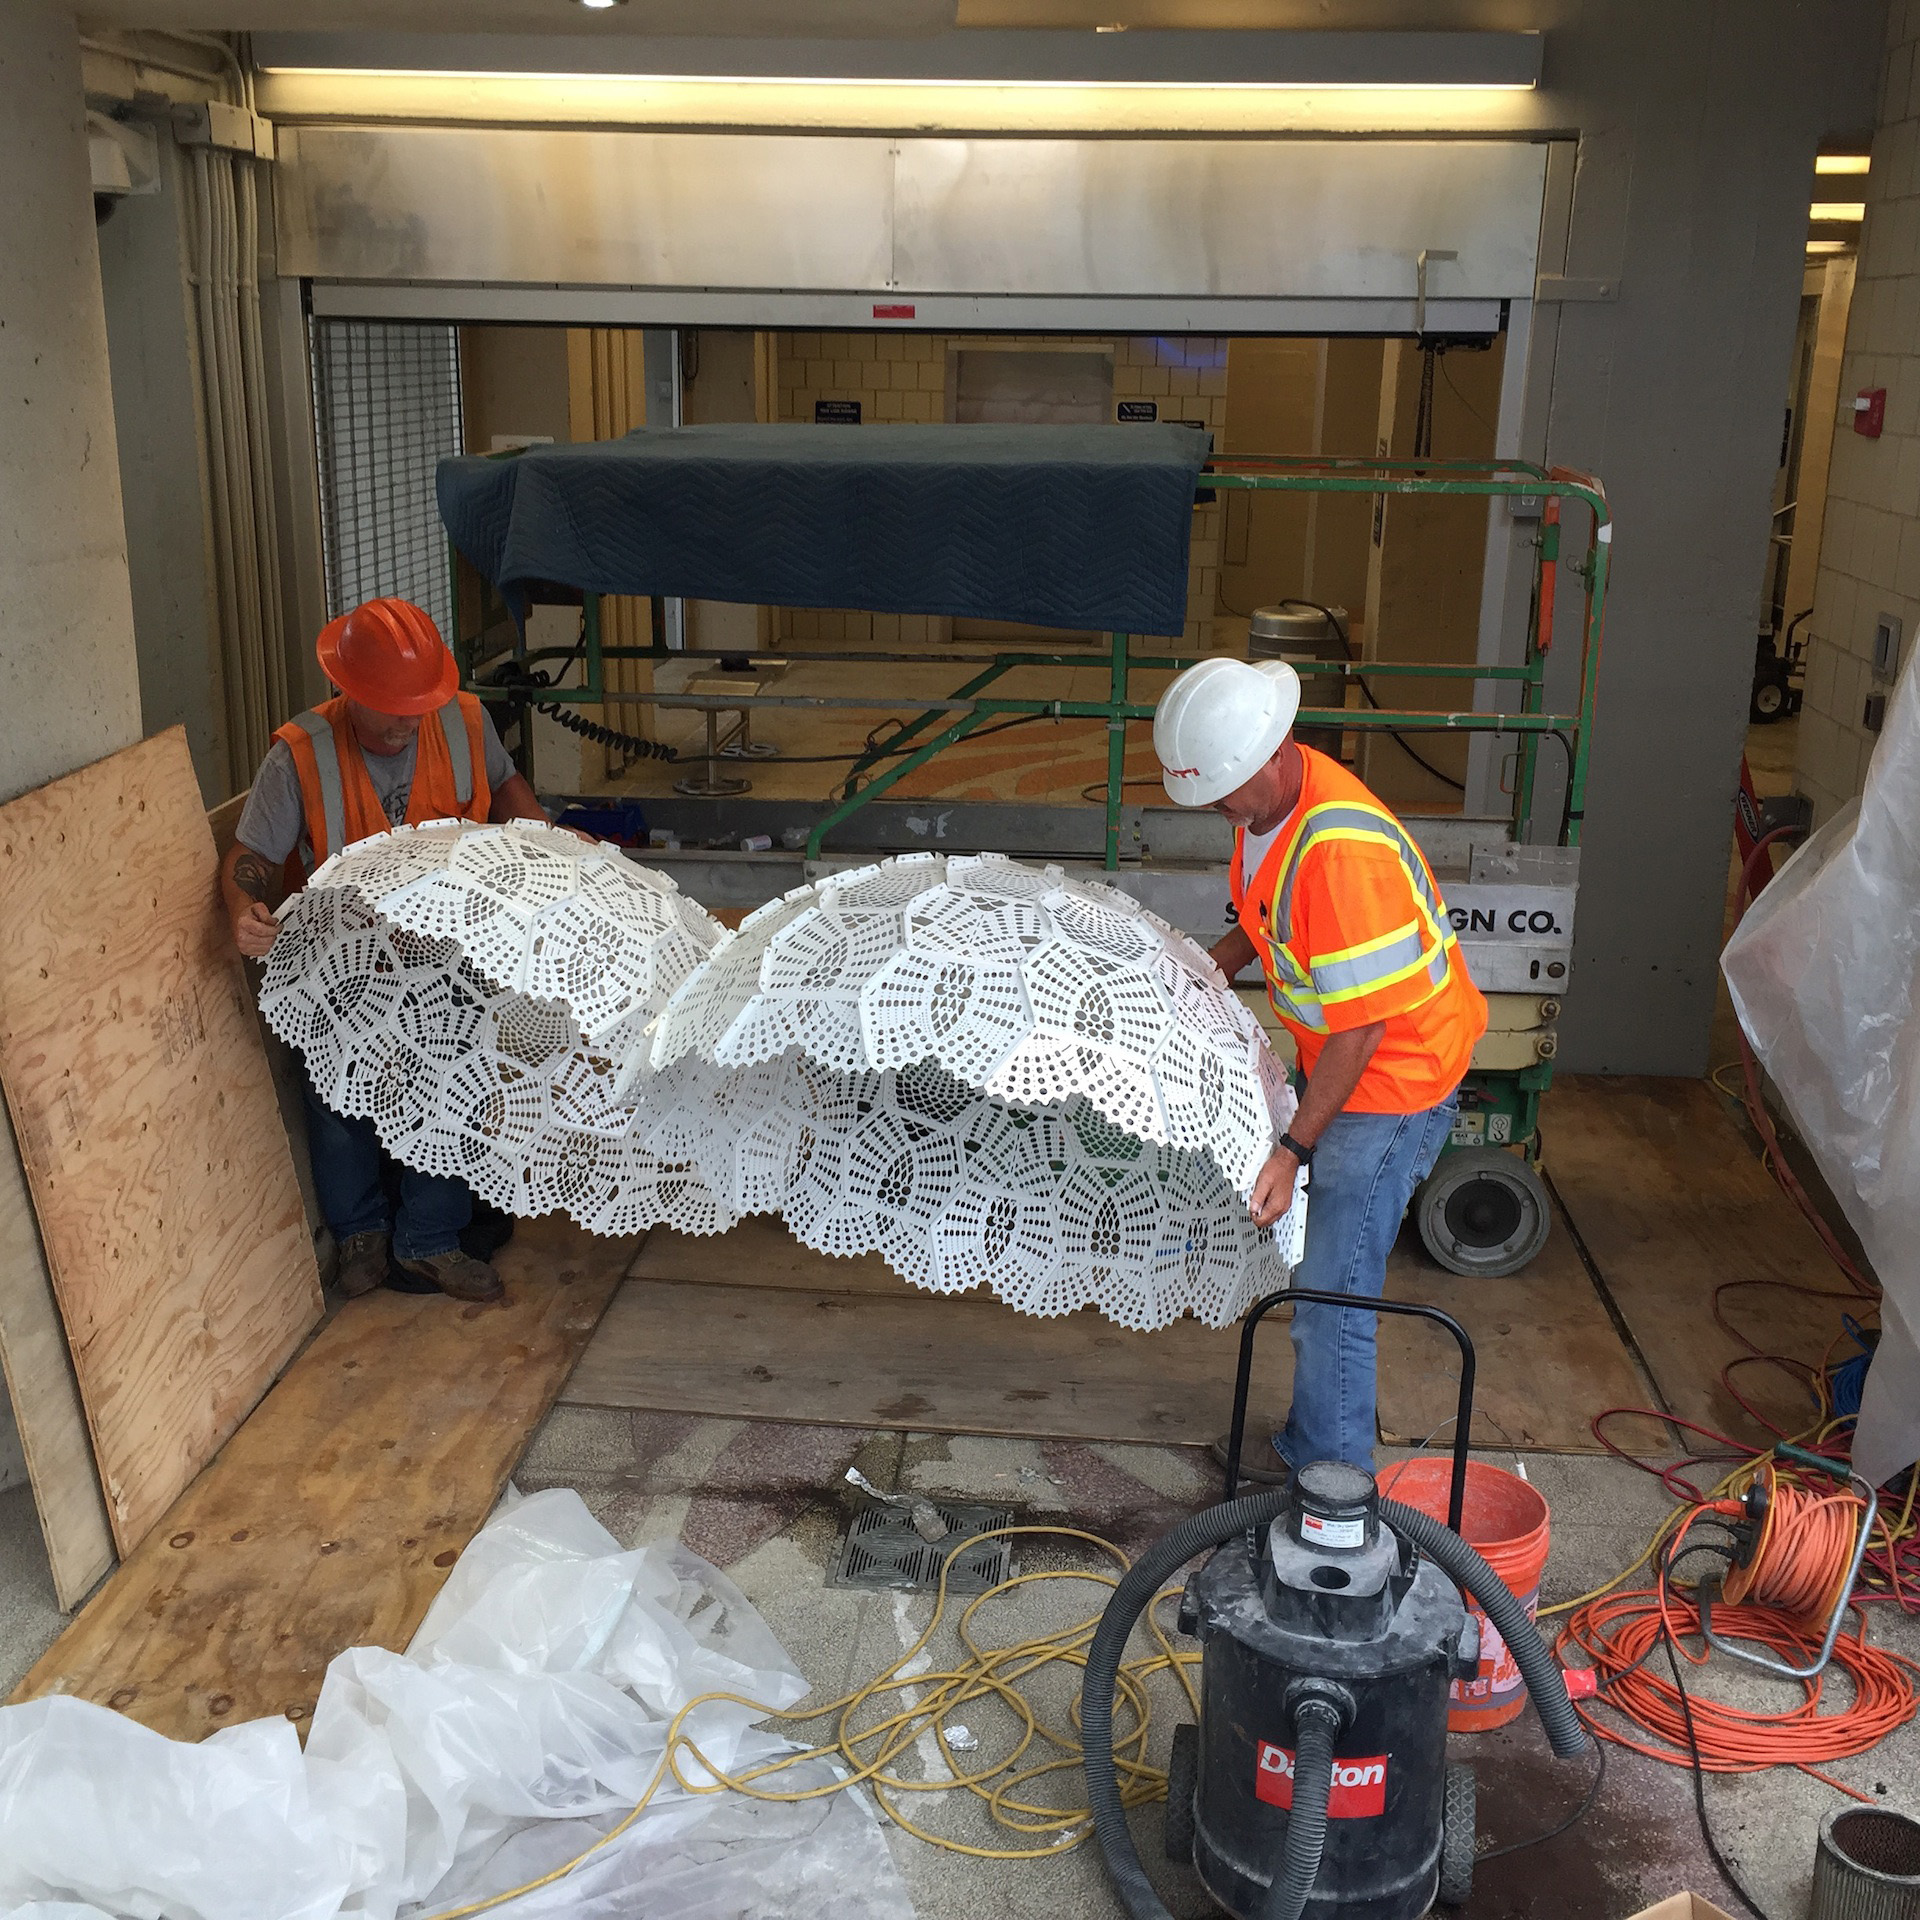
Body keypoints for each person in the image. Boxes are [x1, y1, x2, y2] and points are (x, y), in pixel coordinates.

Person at [1154, 657, 1487, 1479]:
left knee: (1333, 1299)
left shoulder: (1342, 852)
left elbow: (1362, 1031)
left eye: (1224, 792)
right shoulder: (1270, 800)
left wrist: (1293, 1148)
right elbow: (1273, 914)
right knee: (1320, 1281)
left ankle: (1333, 1494)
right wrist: (1219, 961)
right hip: (1358, 1065)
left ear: (1271, 750)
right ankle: (1315, 1442)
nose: (1219, 810)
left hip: (1392, 1083)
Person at [220, 597, 556, 1305]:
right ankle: (360, 1235)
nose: (406, 723)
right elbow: (252, 855)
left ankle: (431, 1240)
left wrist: (544, 838)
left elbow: (503, 788)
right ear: (349, 691)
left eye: (418, 707)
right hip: (341, 962)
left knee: (448, 1081)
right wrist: (240, 908)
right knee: (336, 1097)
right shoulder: (301, 754)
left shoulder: (463, 721)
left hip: (448, 953)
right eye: (388, 709)